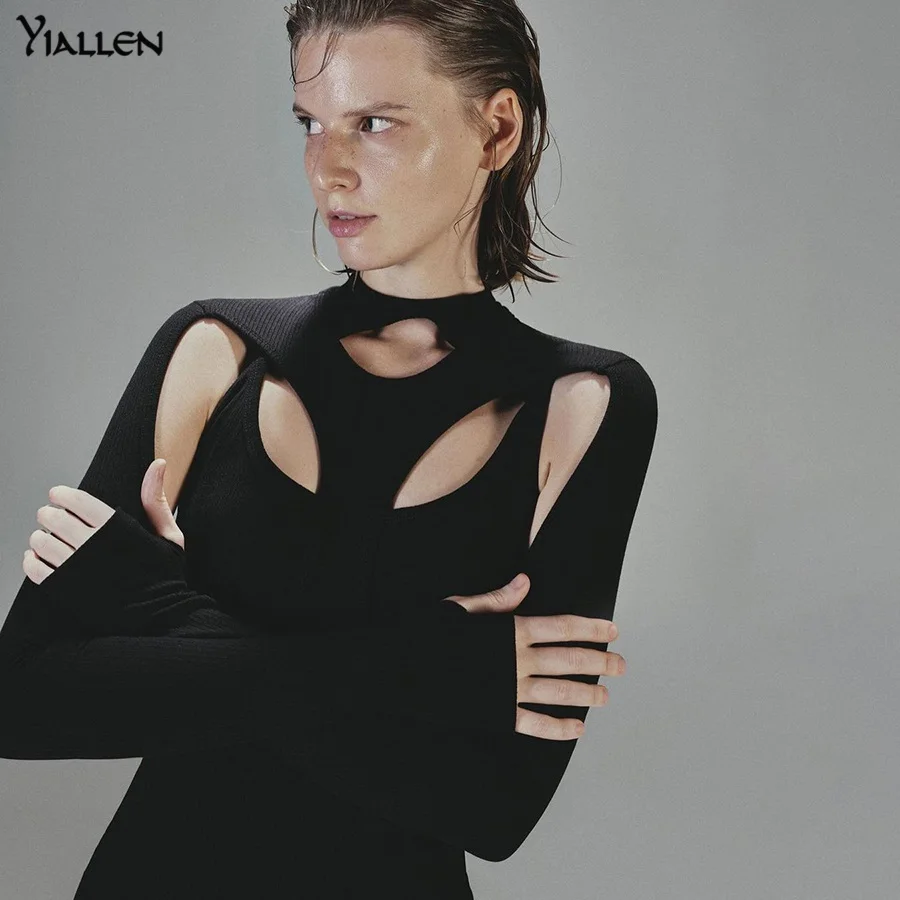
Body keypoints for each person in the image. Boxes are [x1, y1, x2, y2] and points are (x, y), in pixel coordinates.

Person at [0, 2, 658, 897]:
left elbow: (494, 807)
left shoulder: (584, 403)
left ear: (497, 129)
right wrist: (422, 662)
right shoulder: (214, 349)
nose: (327, 167)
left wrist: (164, 609)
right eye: (310, 123)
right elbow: (23, 700)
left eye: (374, 124)